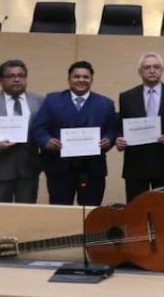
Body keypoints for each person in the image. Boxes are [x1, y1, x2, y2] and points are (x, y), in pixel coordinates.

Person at [31, 60, 118, 206]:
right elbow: (38, 128)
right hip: (59, 169)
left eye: (85, 77)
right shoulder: (52, 100)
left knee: (91, 214)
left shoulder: (105, 103)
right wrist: (46, 141)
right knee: (60, 214)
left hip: (93, 170)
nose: (81, 80)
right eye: (76, 77)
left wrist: (109, 140)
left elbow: (113, 129)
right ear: (69, 79)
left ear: (92, 80)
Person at [115, 52, 164, 201]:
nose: (152, 70)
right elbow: (121, 126)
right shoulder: (127, 96)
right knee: (136, 210)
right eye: (147, 67)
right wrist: (118, 139)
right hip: (136, 164)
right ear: (140, 72)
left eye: (156, 67)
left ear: (162, 70)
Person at [0, 60, 42, 202]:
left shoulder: (40, 100)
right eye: (11, 76)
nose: (16, 79)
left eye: (21, 75)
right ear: (1, 80)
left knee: (26, 215)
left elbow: (45, 130)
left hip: (29, 169)